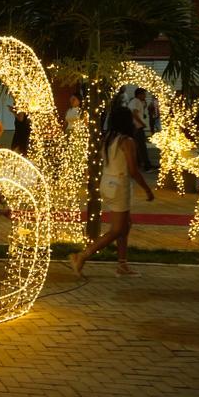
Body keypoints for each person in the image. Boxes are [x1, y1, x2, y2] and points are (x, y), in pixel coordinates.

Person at [70, 103, 153, 277]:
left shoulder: (108, 138)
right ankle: (83, 256)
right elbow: (133, 169)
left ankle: (122, 264)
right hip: (119, 186)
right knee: (117, 229)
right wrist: (147, 189)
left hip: (107, 183)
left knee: (125, 225)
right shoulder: (127, 141)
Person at [128, 88, 153, 171]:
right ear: (139, 94)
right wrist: (142, 123)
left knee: (137, 146)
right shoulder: (136, 102)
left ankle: (139, 164)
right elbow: (134, 113)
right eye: (144, 94)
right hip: (137, 127)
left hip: (135, 127)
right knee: (142, 146)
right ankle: (147, 165)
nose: (145, 96)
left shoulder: (135, 101)